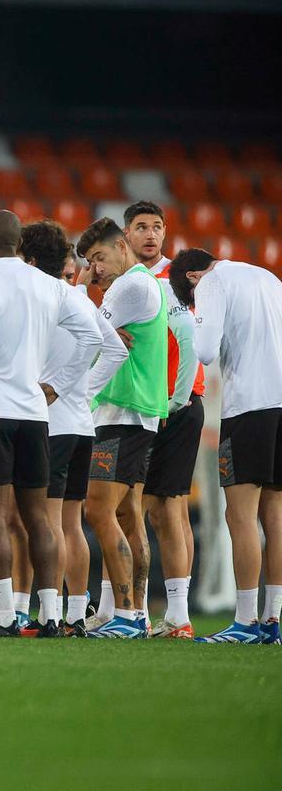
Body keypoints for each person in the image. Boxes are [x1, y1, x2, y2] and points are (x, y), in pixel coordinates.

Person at [0, 210, 102, 637]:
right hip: (34, 414)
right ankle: (50, 618)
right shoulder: (51, 287)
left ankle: (7, 617)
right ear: (19, 246)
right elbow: (94, 339)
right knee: (39, 520)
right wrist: (58, 386)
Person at [169, 249, 282, 644]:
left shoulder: (213, 283)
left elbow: (204, 350)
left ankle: (246, 621)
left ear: (194, 278)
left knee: (240, 516)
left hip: (248, 407)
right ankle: (273, 619)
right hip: (280, 404)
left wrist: (197, 318)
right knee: (275, 515)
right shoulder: (268, 277)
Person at [22, 220, 125, 636]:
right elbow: (115, 349)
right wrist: (86, 391)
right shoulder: (79, 299)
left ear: (28, 260)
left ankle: (49, 614)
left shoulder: (37, 298)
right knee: (72, 524)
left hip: (51, 422)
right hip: (82, 423)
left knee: (48, 523)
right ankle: (76, 616)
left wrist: (61, 390)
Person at [76, 217, 171, 638]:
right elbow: (100, 330)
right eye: (90, 262)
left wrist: (83, 294)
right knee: (129, 515)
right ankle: (135, 614)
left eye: (98, 257)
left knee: (97, 508)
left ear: (120, 246)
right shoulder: (141, 285)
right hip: (140, 412)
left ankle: (126, 615)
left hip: (122, 412)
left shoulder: (130, 285)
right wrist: (104, 323)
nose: (95, 267)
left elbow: (86, 332)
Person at [123, 201, 203, 638]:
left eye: (156, 227)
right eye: (141, 227)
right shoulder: (139, 280)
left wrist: (179, 398)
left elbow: (189, 339)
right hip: (168, 401)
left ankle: (177, 616)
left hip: (174, 403)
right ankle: (178, 612)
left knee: (161, 509)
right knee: (171, 509)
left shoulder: (170, 280)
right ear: (127, 235)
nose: (150, 234)